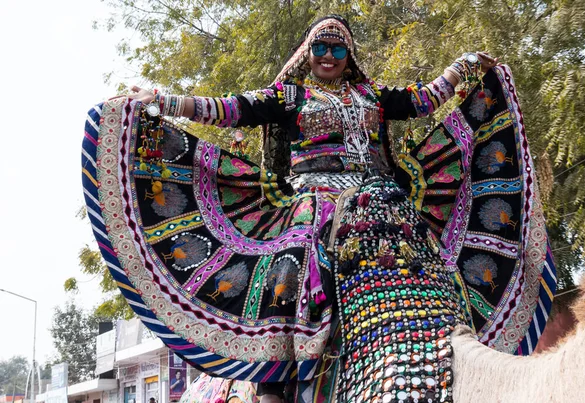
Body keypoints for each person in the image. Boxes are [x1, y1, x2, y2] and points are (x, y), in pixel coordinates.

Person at [84, 14, 556, 403]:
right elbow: (229, 108)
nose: (327, 57)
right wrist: (164, 101)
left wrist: (468, 63)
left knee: (433, 267)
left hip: (385, 205)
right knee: (291, 268)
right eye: (320, 49)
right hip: (316, 206)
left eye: (336, 49)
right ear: (308, 56)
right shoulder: (289, 98)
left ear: (348, 56)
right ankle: (275, 378)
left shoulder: (373, 97)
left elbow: (428, 97)